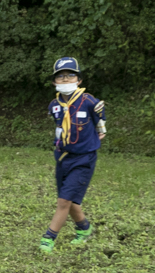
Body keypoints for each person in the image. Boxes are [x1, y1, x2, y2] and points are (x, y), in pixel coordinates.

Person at [39, 57, 107, 253]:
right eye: (60, 77)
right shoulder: (54, 105)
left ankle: (49, 237)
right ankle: (84, 228)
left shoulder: (89, 102)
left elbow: (100, 121)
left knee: (63, 201)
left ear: (79, 80)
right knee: (69, 200)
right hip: (62, 157)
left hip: (84, 158)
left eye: (70, 76)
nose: (65, 80)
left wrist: (100, 131)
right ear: (54, 82)